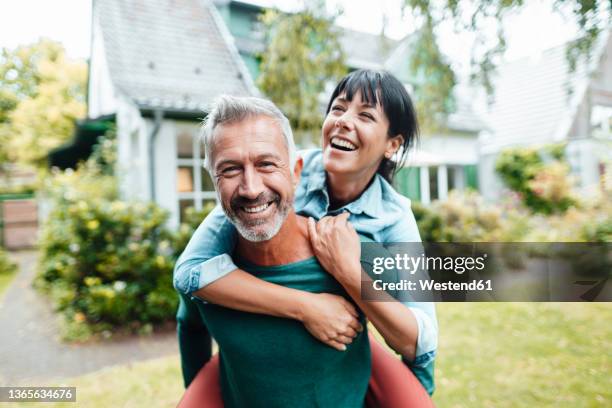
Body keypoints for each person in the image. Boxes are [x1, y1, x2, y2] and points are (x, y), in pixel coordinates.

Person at [175, 69, 438, 404]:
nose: (343, 121)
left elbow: (422, 340)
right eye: (338, 108)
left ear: (392, 145)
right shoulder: (279, 173)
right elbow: (189, 273)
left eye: (366, 115)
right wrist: (306, 307)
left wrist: (347, 270)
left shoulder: (393, 221)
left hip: (355, 321)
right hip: (280, 332)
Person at [177, 95, 371, 407]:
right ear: (213, 181)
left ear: (296, 173)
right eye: (229, 170)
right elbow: (190, 325)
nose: (251, 188)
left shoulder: (348, 251)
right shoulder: (207, 279)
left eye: (266, 164)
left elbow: (416, 330)